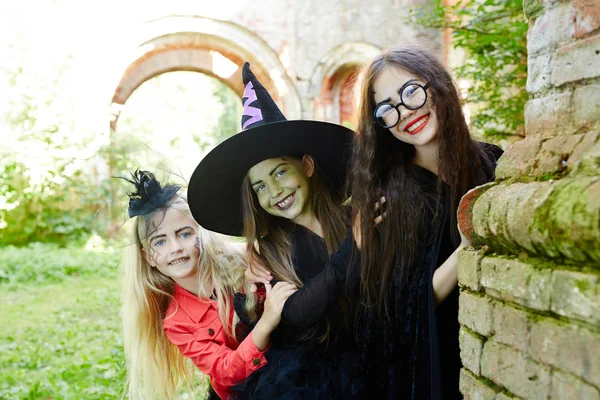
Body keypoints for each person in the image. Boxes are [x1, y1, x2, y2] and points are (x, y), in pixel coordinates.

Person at [188, 63, 371, 399]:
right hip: (306, 367)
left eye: (280, 172)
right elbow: (297, 311)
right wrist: (352, 249)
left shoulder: (352, 219)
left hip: (367, 349)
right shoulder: (271, 251)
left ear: (308, 166)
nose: (274, 192)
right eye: (259, 186)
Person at [349, 44, 504, 399]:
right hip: (438, 366)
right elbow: (403, 304)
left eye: (411, 92)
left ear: (438, 86)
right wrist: (467, 245)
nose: (404, 112)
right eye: (387, 108)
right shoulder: (390, 198)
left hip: (499, 345)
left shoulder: (492, 161)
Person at [121, 169, 296, 400]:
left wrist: (255, 259)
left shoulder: (242, 262)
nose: (175, 248)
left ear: (200, 235)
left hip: (291, 365)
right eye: (160, 241)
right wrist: (267, 321)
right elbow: (226, 369)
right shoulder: (176, 322)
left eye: (184, 234)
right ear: (148, 257)